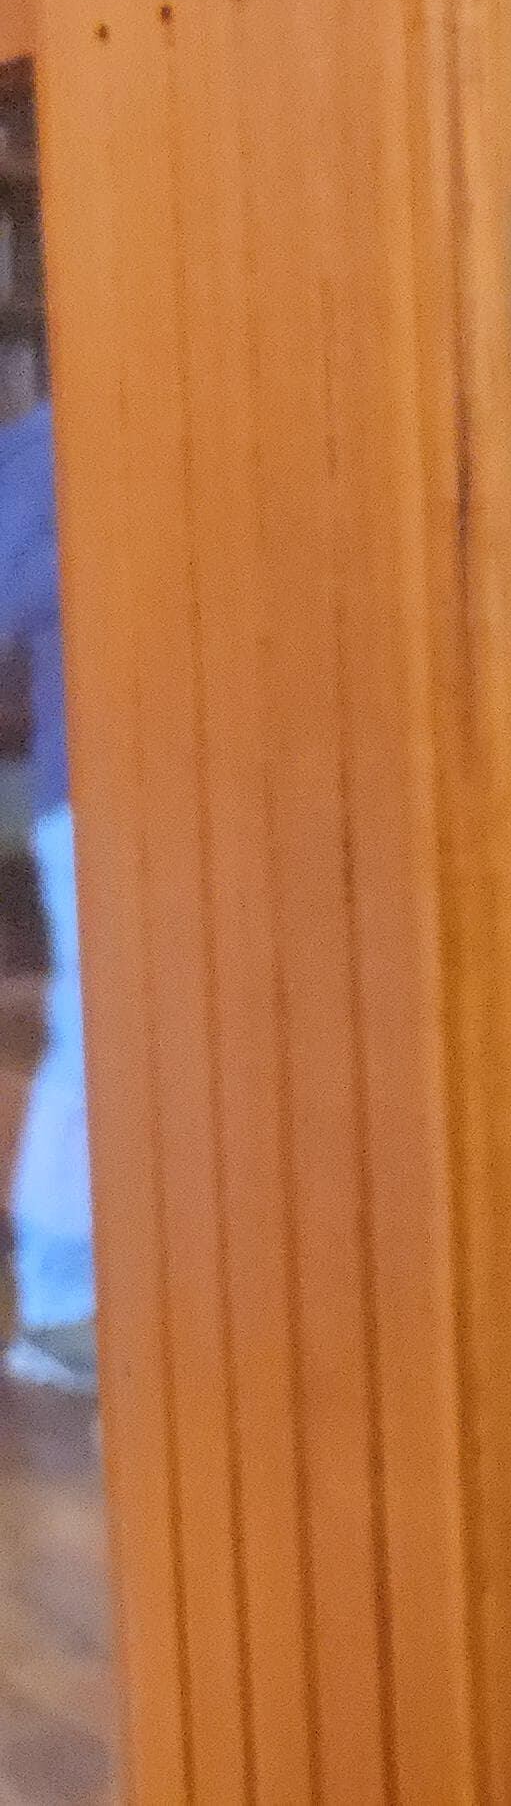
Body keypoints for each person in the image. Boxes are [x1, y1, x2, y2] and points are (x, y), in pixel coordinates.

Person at [0, 400, 88, 1394]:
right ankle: (62, 1306)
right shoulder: (46, 449)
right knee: (97, 1037)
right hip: (100, 791)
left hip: (223, 787)